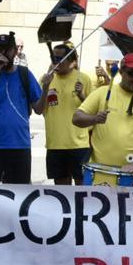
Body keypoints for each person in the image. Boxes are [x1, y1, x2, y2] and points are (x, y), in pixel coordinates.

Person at [73, 53, 133, 181]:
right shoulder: (102, 92)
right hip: (98, 171)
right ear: (121, 72)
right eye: (132, 74)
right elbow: (76, 118)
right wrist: (95, 119)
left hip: (130, 174)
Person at [0, 32, 45, 184]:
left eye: (5, 49)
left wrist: (46, 87)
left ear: (14, 51)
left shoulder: (24, 74)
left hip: (19, 145)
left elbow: (39, 109)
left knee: (19, 192)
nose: (0, 53)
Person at [40, 44, 93, 185]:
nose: (56, 62)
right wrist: (45, 86)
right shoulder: (46, 79)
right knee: (61, 187)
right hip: (55, 144)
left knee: (82, 185)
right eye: (54, 58)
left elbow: (92, 112)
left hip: (78, 144)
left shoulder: (84, 79)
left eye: (60, 58)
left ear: (72, 62)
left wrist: (81, 95)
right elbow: (39, 109)